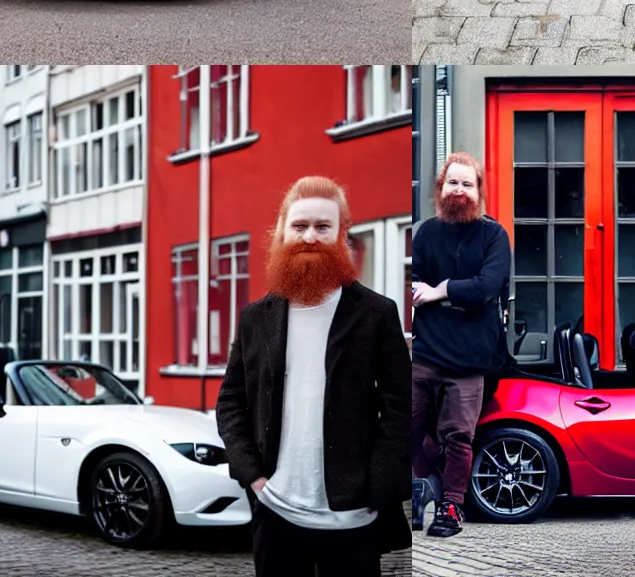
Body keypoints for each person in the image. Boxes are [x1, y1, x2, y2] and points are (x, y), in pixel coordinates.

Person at [216, 176, 412, 577]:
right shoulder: (256, 318)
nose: (311, 236)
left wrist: (379, 485)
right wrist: (252, 476)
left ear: (342, 234)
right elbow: (231, 402)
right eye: (300, 226)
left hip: (354, 516)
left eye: (324, 227)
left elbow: (402, 407)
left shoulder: (376, 313)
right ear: (282, 232)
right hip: (276, 511)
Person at [409, 153, 512, 539]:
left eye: (468, 184)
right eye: (453, 183)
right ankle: (426, 480)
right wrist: (446, 294)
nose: (460, 191)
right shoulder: (426, 233)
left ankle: (451, 504)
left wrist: (439, 291)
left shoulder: (493, 236)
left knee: (458, 436)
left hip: (470, 358)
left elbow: (486, 289)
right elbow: (412, 283)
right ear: (441, 188)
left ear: (478, 192)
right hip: (425, 353)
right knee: (406, 426)